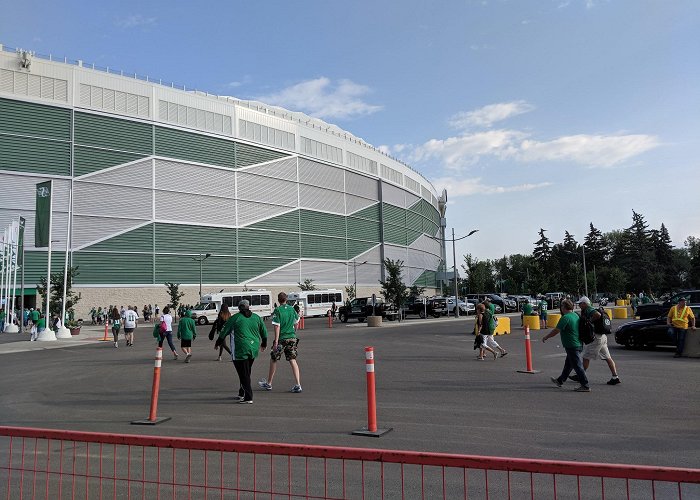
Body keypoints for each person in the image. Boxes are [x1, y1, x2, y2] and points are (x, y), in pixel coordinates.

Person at [219, 299, 268, 403]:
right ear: (248, 306)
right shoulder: (256, 317)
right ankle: (242, 392)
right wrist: (264, 343)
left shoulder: (235, 318)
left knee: (243, 373)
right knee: (247, 371)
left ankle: (248, 396)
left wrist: (218, 342)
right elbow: (263, 331)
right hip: (253, 348)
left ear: (239, 308)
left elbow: (224, 331)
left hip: (240, 349)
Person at [542, 299, 590, 392]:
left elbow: (557, 330)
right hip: (578, 343)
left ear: (564, 307)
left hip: (572, 344)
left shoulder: (565, 317)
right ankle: (560, 380)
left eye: (562, 306)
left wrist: (546, 337)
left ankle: (585, 385)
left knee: (577, 366)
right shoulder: (575, 315)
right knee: (568, 364)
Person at [570, 296, 620, 385]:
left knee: (586, 356)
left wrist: (590, 321)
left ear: (584, 303)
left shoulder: (589, 309)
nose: (579, 305)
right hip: (602, 337)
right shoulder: (589, 309)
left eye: (580, 304)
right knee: (607, 357)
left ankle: (581, 375)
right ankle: (615, 377)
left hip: (597, 338)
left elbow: (598, 315)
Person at [259, 292, 302, 393]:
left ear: (278, 300)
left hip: (282, 338)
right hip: (292, 337)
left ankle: (269, 383)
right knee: (292, 359)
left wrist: (276, 341)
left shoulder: (278, 310)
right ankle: (298, 384)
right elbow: (296, 322)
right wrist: (294, 333)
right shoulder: (292, 309)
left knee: (274, 358)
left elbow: (277, 326)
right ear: (286, 299)